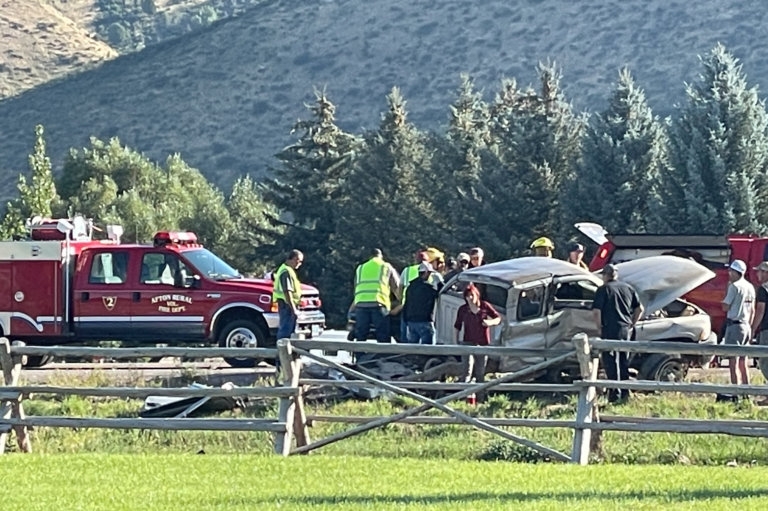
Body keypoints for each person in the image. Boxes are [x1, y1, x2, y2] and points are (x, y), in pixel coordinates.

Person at [592, 264, 644, 403]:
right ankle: (625, 393)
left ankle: (614, 394)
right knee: (623, 361)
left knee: (610, 362)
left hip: (610, 328)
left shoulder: (603, 289)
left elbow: (596, 311)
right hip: (625, 329)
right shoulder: (628, 288)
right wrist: (632, 323)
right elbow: (640, 308)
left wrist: (599, 328)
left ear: (605, 275)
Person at [453, 284, 501, 394]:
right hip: (467, 343)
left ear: (476, 295)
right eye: (467, 296)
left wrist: (490, 322)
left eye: (471, 295)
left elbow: (498, 318)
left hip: (482, 343)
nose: (470, 298)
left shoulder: (485, 306)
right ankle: (463, 395)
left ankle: (480, 397)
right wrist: (456, 342)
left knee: (480, 372)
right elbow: (457, 326)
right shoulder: (463, 309)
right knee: (467, 370)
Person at [351, 248, 401, 343]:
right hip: (379, 304)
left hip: (361, 305)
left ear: (370, 257)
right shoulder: (385, 266)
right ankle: (382, 352)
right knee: (382, 334)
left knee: (361, 334)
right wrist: (401, 301)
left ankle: (359, 352)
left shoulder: (360, 268)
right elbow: (397, 286)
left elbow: (356, 287)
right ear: (381, 256)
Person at [721, 259, 755, 395]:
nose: (729, 273)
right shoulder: (750, 287)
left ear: (737, 272)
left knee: (733, 361)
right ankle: (746, 391)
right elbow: (752, 310)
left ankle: (735, 392)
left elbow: (725, 307)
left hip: (735, 325)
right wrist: (750, 327)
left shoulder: (734, 287)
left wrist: (725, 292)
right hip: (746, 325)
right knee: (743, 361)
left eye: (731, 271)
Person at [402, 262, 442, 344]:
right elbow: (440, 293)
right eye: (430, 273)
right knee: (426, 348)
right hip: (424, 321)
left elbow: (406, 303)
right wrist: (439, 282)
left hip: (411, 321)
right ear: (426, 273)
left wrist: (406, 320)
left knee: (412, 347)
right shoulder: (428, 288)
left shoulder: (411, 286)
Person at [272, 249, 304, 340]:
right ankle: (282, 348)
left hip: (287, 304)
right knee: (286, 331)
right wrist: (294, 309)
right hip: (287, 305)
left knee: (288, 330)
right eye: (299, 261)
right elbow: (287, 291)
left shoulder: (286, 270)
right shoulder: (286, 272)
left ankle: (285, 348)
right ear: (294, 259)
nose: (300, 264)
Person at [399, 250, 429, 342]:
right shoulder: (431, 273)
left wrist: (400, 302)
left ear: (416, 260)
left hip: (408, 309)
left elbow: (400, 288)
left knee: (407, 338)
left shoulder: (407, 271)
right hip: (425, 311)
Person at [751, 261, 768, 385]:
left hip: (766, 329)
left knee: (764, 360)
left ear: (766, 273)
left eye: (759, 271)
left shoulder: (763, 289)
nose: (757, 274)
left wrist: (752, 329)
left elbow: (760, 310)